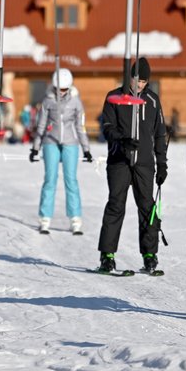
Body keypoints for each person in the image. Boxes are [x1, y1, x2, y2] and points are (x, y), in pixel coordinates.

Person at [96, 57, 168, 273]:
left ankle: (149, 255)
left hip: (145, 164)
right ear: (129, 77)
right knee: (116, 205)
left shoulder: (153, 101)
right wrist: (122, 140)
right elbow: (107, 127)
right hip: (119, 161)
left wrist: (162, 164)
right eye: (136, 80)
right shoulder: (114, 97)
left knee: (147, 208)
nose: (139, 85)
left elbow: (160, 134)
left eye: (144, 81)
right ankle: (107, 255)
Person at [29, 68, 92, 235]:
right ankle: (45, 218)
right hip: (51, 142)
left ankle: (75, 218)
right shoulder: (48, 101)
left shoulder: (76, 102)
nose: (62, 92)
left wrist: (86, 149)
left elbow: (80, 127)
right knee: (50, 178)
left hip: (71, 143)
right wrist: (36, 148)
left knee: (71, 179)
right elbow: (41, 125)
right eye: (59, 89)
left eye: (65, 89)